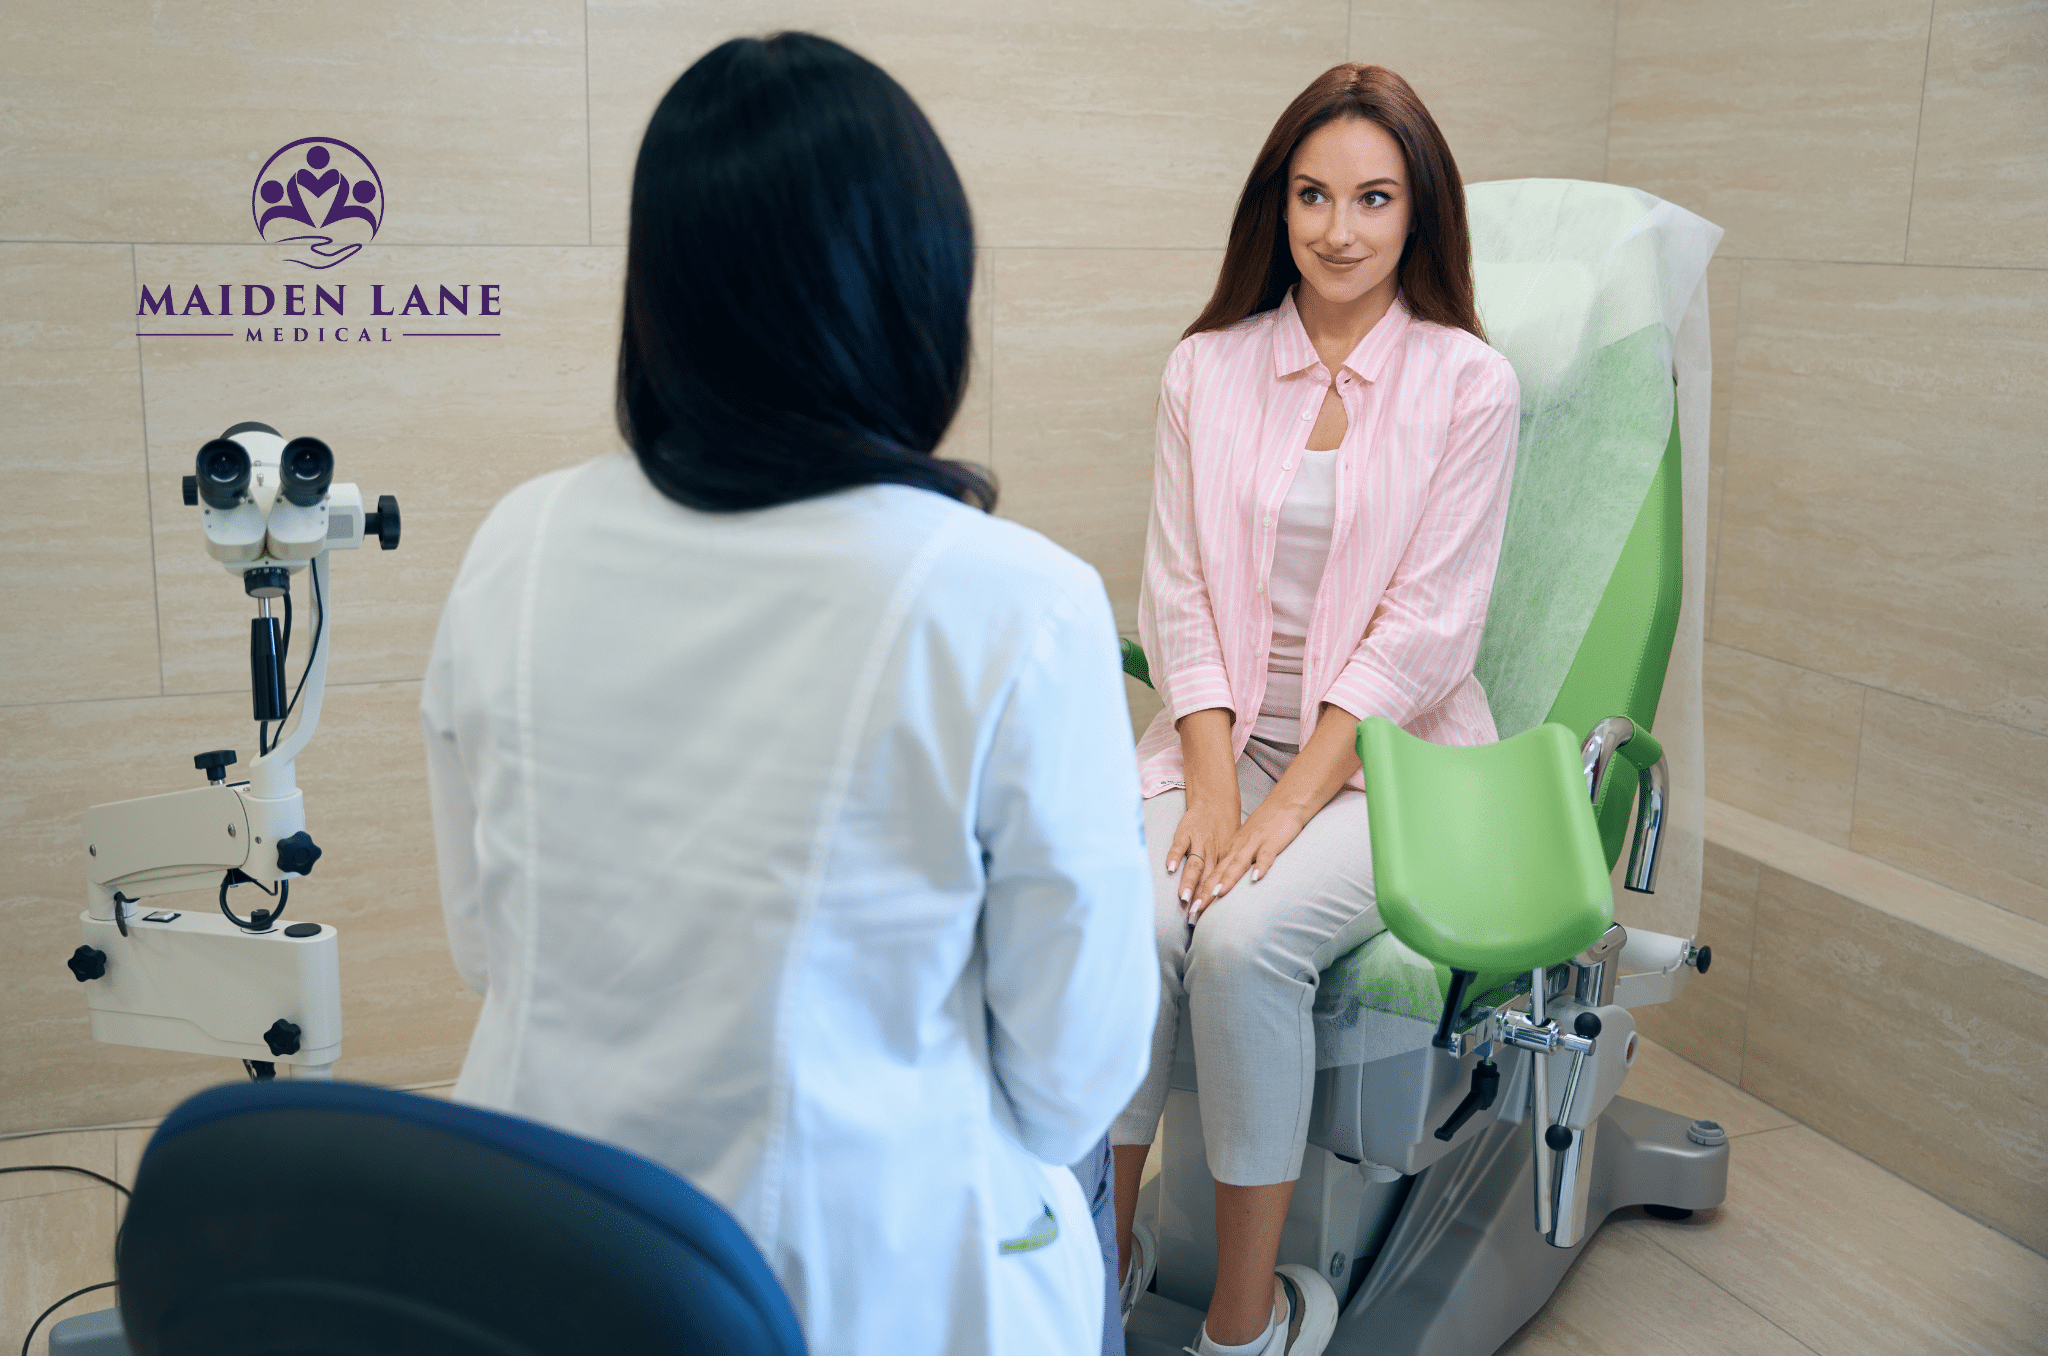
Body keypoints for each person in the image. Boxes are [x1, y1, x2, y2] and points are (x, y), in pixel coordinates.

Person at [419, 33, 1157, 1356]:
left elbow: (487, 945)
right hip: (855, 1291)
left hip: (539, 1253)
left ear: (662, 295)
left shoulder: (513, 544)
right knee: (1085, 1163)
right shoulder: (1016, 599)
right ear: (919, 290)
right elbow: (1072, 1074)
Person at [1107, 65, 1520, 1356]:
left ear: (1419, 212)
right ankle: (1097, 1264)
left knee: (1241, 942)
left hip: (1385, 767)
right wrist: (1214, 786)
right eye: (1313, 195)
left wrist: (1276, 816)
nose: (1340, 229)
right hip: (1213, 746)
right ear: (1276, 207)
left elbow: (1428, 633)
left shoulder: (1468, 385)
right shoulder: (1207, 367)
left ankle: (1245, 1323)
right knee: (1125, 917)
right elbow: (1176, 591)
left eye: (1374, 197)